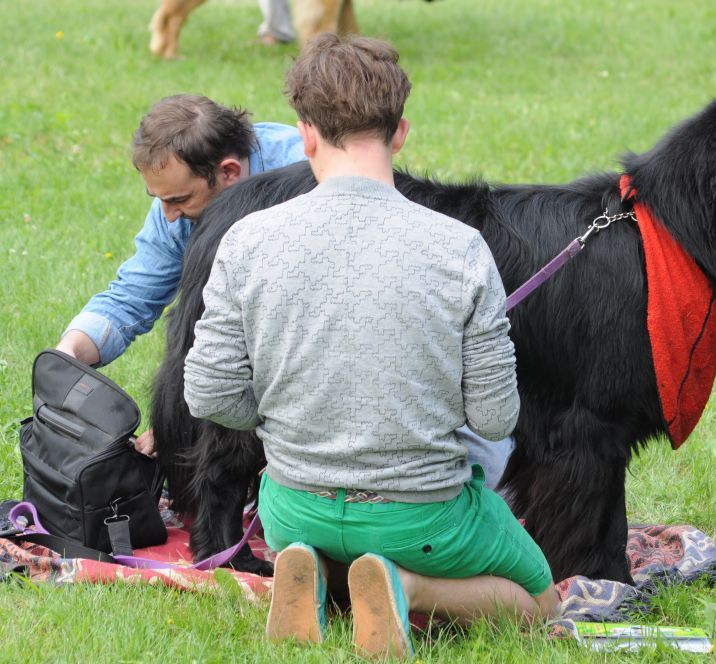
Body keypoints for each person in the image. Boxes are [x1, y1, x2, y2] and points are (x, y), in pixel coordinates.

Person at [183, 34, 559, 658]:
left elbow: (208, 391)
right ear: (400, 131)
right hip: (423, 520)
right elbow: (497, 417)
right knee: (541, 604)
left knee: (327, 532)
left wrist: (278, 416)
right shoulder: (460, 248)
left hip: (293, 511)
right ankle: (404, 582)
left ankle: (321, 573)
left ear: (306, 133)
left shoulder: (247, 239)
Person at [54, 95, 305, 453]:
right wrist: (71, 351)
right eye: (160, 200)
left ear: (229, 172)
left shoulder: (306, 174)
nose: (169, 215)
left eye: (179, 200)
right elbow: (133, 294)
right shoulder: (176, 209)